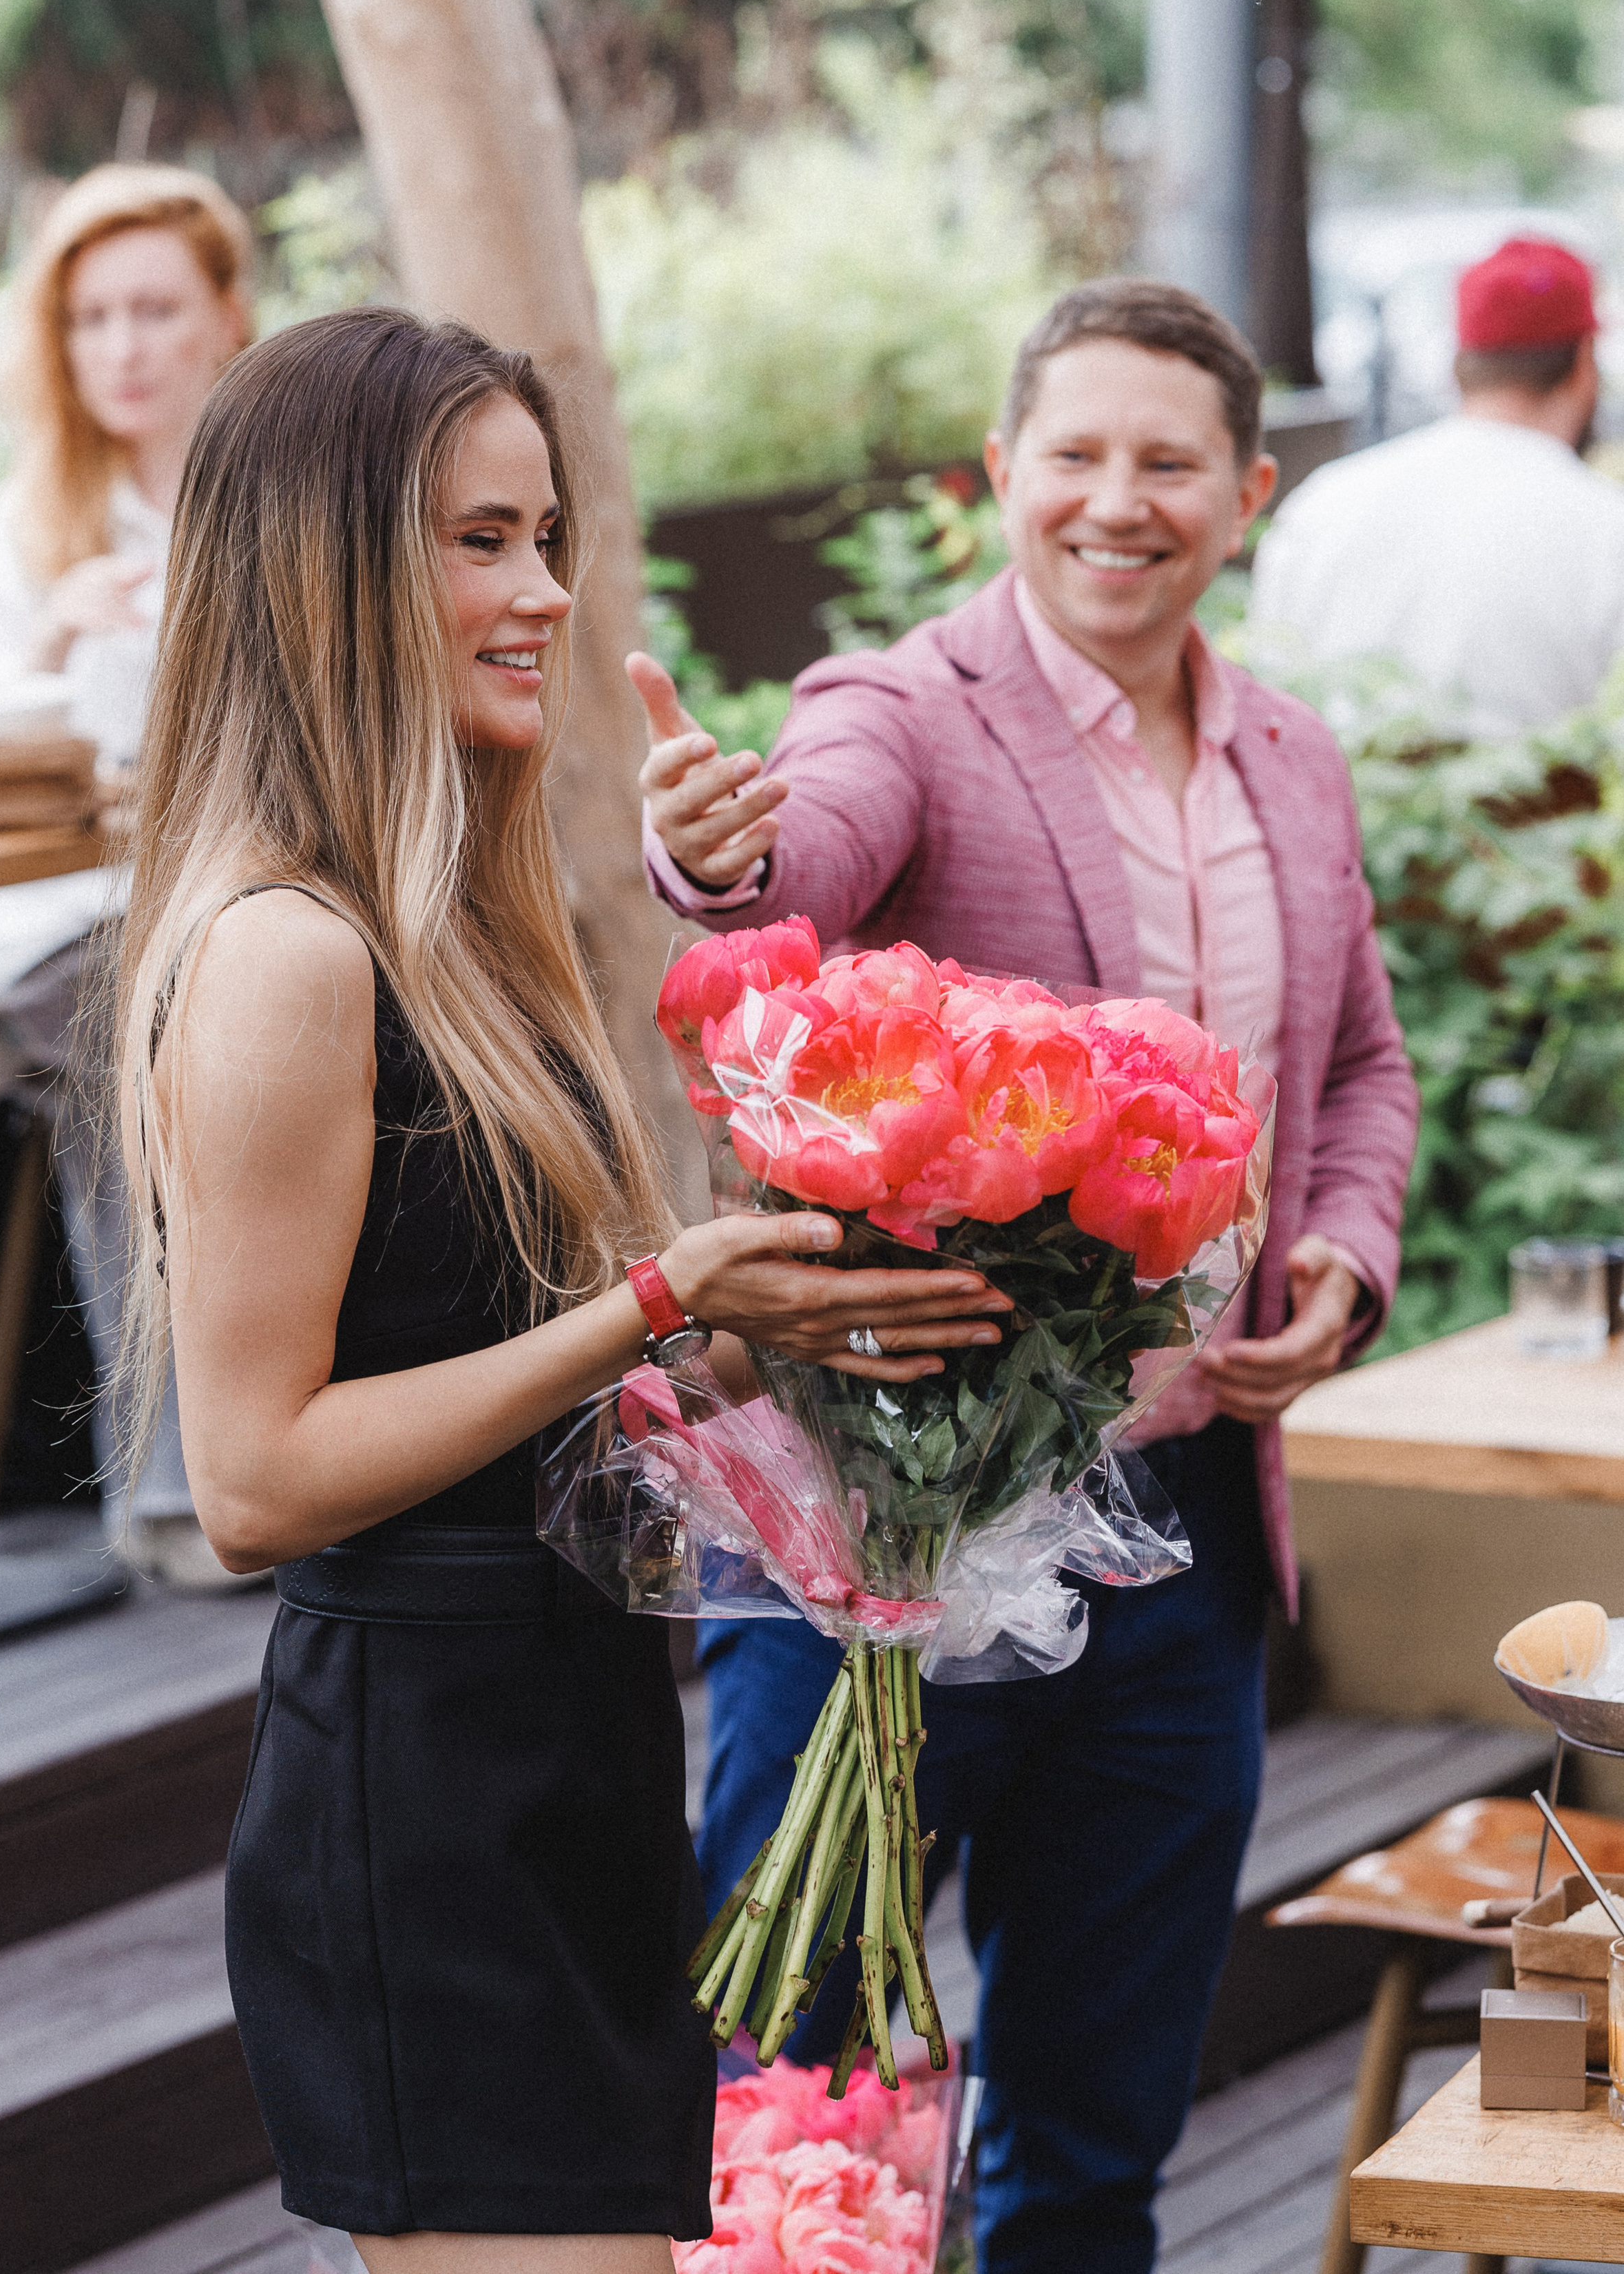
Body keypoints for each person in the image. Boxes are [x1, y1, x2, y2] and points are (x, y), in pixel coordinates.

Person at [112, 308, 1010, 2269]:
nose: (542, 591)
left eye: (546, 533)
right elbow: (256, 1479)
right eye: (477, 541)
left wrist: (774, 1338)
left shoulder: (452, 927)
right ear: (325, 569)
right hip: (427, 1811)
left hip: (569, 1754)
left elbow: (494, 1370)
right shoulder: (288, 955)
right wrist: (658, 1301)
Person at [630, 278, 1419, 2274]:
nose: (1116, 500)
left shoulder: (1290, 760)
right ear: (1003, 475)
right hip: (894, 1529)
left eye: (1168, 461)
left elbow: (1356, 1069)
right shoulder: (908, 708)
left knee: (1094, 2132)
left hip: (1185, 1550)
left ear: (1242, 495)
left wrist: (1336, 1251)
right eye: (1074, 452)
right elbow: (797, 856)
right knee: (802, 2121)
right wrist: (725, 858)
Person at [0, 165, 253, 1566]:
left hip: (240, 906)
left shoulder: (272, 500)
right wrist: (44, 653)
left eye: (154, 308)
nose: (124, 347)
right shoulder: (21, 531)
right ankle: (174, 1492)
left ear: (225, 313)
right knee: (126, 1053)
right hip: (61, 924)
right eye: (90, 318)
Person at [1250, 235, 1624, 735]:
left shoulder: (1325, 501)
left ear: (1459, 365)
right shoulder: (1606, 527)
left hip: (1339, 804)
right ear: (1584, 363)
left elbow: (1266, 702)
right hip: (1534, 809)